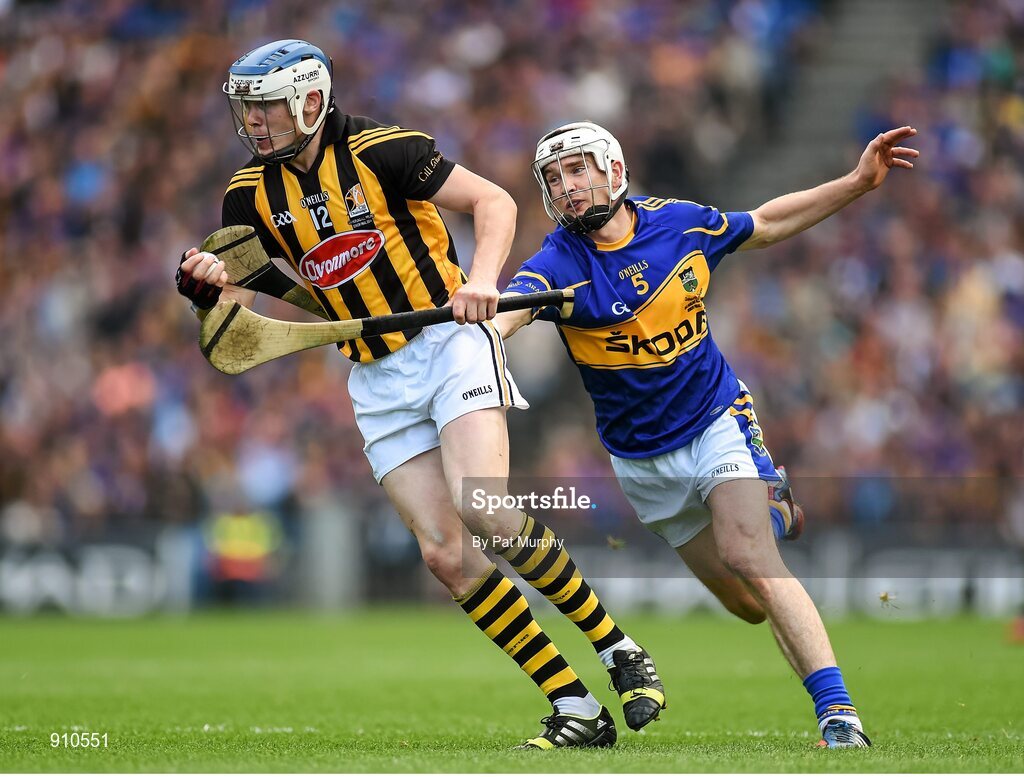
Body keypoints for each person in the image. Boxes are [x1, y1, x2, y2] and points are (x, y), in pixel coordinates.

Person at [174, 41, 664, 750]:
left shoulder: (384, 149)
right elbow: (255, 288)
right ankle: (575, 704)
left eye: (269, 108)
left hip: (448, 340)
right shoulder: (246, 194)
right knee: (444, 553)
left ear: (311, 101)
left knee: (483, 507)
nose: (255, 123)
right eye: (247, 110)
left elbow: (492, 201)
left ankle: (618, 648)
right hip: (374, 374)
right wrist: (207, 280)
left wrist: (484, 279)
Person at [498, 120, 920, 748]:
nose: (567, 186)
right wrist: (482, 318)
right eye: (555, 178)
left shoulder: (680, 224)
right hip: (641, 462)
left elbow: (768, 223)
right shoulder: (556, 264)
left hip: (717, 420)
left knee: (748, 553)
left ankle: (839, 717)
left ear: (614, 170)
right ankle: (771, 514)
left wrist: (858, 182)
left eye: (578, 169)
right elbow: (509, 315)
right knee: (748, 602)